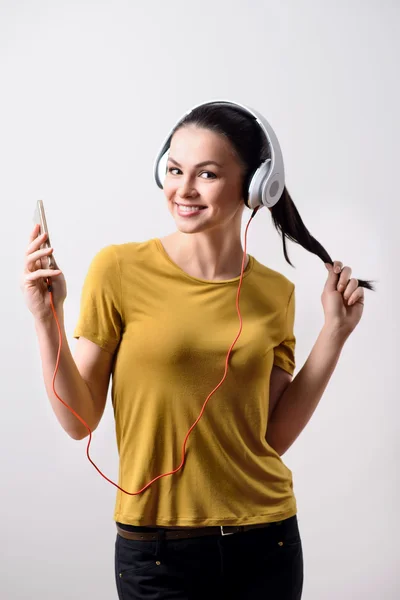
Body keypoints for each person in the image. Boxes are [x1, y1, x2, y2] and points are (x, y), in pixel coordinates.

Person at [22, 101, 372, 599]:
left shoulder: (276, 294)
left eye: (206, 174)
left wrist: (334, 335)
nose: (183, 190)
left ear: (256, 187)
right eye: (174, 169)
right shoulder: (118, 269)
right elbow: (78, 420)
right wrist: (46, 318)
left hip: (267, 542)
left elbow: (269, 437)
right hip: (157, 551)